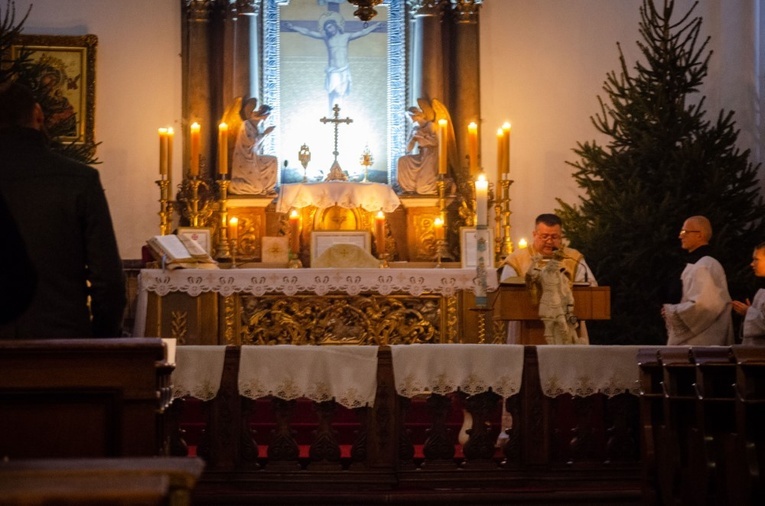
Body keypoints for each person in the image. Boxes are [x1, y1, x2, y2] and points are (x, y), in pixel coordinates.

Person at [0, 82, 126, 338]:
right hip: (61, 340)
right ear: (38, 114)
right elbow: (108, 281)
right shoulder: (79, 179)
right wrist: (101, 341)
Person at [500, 213, 597, 344]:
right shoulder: (517, 259)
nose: (549, 241)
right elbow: (507, 293)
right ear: (534, 235)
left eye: (554, 237)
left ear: (561, 237)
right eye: (544, 236)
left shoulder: (573, 258)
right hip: (525, 326)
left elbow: (590, 288)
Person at [285, 12, 381, 111]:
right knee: (334, 92)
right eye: (327, 29)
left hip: (344, 69)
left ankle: (339, 114)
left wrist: (374, 27)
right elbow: (308, 32)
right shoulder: (327, 38)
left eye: (330, 27)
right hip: (334, 70)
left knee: (342, 94)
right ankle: (332, 113)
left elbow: (362, 33)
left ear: (335, 26)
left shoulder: (346, 36)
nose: (329, 30)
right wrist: (293, 27)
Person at [661, 216, 734, 346]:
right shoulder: (696, 264)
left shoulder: (706, 265)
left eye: (684, 232)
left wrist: (672, 312)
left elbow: (704, 306)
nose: (680, 236)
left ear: (699, 235)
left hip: (702, 341)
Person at [229, 97, 278, 195]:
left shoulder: (257, 126)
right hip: (245, 158)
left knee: (272, 160)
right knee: (256, 188)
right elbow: (251, 142)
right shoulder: (246, 124)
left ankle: (269, 188)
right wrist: (265, 133)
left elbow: (256, 147)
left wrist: (264, 133)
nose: (265, 118)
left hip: (254, 157)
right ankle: (231, 185)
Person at [397, 105, 438, 195]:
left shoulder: (431, 125)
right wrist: (413, 139)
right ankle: (409, 188)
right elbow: (408, 149)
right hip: (422, 154)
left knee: (423, 189)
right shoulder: (414, 129)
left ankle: (446, 183)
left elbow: (436, 142)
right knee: (403, 160)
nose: (410, 119)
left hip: (432, 154)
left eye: (410, 116)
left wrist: (423, 136)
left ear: (416, 115)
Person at [731, 242, 765, 345]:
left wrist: (748, 312)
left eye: (756, 259)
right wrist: (749, 312)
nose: (752, 264)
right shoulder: (761, 291)